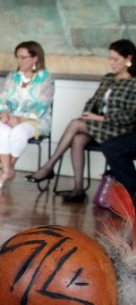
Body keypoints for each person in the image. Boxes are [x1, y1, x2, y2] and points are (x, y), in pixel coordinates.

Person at [26, 40, 136, 202]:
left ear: (128, 59)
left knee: (76, 124)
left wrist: (101, 118)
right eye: (110, 59)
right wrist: (88, 113)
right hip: (99, 126)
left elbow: (131, 115)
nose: (111, 63)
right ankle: (78, 188)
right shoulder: (109, 79)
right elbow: (94, 101)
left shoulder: (134, 83)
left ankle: (49, 166)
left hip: (120, 129)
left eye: (115, 59)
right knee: (77, 138)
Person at [0, 41, 54, 188]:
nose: (19, 61)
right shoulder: (12, 77)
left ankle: (5, 171)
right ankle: (8, 171)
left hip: (35, 120)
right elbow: (2, 98)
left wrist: (22, 119)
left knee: (19, 132)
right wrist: (4, 112)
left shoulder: (46, 78)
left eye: (23, 57)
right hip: (12, 117)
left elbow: (43, 105)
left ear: (35, 58)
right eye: (17, 57)